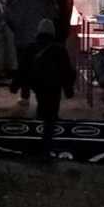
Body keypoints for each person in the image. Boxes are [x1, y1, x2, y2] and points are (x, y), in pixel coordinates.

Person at [21, 19, 76, 159]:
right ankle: (46, 146)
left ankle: (44, 123)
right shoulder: (59, 49)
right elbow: (66, 70)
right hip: (54, 85)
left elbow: (23, 69)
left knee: (43, 103)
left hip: (38, 84)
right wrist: (68, 89)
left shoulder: (32, 47)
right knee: (51, 115)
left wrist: (19, 86)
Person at [7, 0, 59, 105]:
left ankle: (25, 97)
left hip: (22, 39)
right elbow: (54, 17)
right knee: (43, 69)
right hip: (41, 40)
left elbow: (8, 18)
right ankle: (43, 98)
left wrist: (18, 30)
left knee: (23, 67)